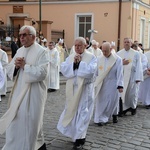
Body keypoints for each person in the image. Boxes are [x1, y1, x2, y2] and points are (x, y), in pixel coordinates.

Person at [0, 25, 49, 150]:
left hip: (34, 94)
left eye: (24, 35)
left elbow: (42, 73)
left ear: (32, 37)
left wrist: (25, 66)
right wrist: (16, 66)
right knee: (16, 122)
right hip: (19, 92)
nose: (21, 37)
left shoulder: (42, 51)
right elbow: (10, 70)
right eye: (20, 35)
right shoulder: (20, 51)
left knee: (32, 123)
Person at [57, 37, 97, 149]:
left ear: (85, 46)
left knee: (83, 113)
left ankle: (80, 138)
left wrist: (80, 64)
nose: (77, 48)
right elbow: (64, 69)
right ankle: (77, 135)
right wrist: (74, 64)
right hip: (73, 90)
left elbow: (90, 72)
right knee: (73, 112)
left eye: (79, 45)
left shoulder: (91, 57)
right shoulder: (71, 57)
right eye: (75, 45)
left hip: (84, 91)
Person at [94, 42, 123, 126]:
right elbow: (96, 71)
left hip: (112, 83)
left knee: (111, 101)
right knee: (101, 101)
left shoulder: (117, 59)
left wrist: (120, 85)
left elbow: (120, 73)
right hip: (101, 83)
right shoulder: (99, 58)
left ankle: (113, 115)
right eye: (103, 51)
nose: (104, 53)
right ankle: (100, 118)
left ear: (110, 49)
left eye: (106, 51)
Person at [117, 37, 143, 116]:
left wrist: (138, 77)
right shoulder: (119, 53)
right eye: (125, 42)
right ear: (123, 43)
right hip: (123, 76)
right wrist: (121, 63)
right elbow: (116, 64)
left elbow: (139, 65)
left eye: (128, 42)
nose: (126, 43)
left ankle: (133, 107)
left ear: (131, 44)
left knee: (132, 94)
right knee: (123, 94)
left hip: (132, 76)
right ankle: (124, 108)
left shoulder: (136, 53)